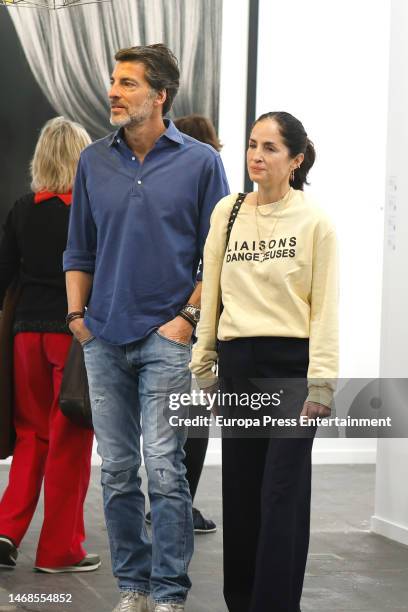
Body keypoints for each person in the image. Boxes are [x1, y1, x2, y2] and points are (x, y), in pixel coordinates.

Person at [63, 44, 229, 612]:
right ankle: (132, 588)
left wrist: (185, 320)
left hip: (167, 336)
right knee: (117, 472)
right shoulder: (93, 161)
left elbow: (220, 254)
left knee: (164, 469)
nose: (114, 90)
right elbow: (78, 249)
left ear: (159, 96)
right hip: (102, 336)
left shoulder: (202, 162)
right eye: (114, 80)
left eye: (128, 83)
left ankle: (168, 593)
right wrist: (77, 320)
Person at [190, 111, 338, 612]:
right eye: (254, 144)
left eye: (271, 148)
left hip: (292, 367)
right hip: (238, 362)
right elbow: (212, 293)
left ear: (295, 160)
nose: (257, 154)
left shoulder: (314, 221)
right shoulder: (227, 212)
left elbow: (325, 308)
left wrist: (322, 383)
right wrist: (203, 359)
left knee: (281, 494)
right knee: (243, 490)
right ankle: (243, 600)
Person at [0, 117, 99, 573]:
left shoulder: (22, 208)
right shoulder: (89, 210)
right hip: (72, 336)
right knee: (71, 439)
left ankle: (5, 530)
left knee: (30, 436)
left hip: (25, 336)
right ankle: (59, 550)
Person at [145, 113, 222, 535]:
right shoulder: (208, 191)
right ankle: (173, 507)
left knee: (169, 421)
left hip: (173, 318)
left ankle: (168, 505)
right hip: (189, 322)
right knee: (188, 421)